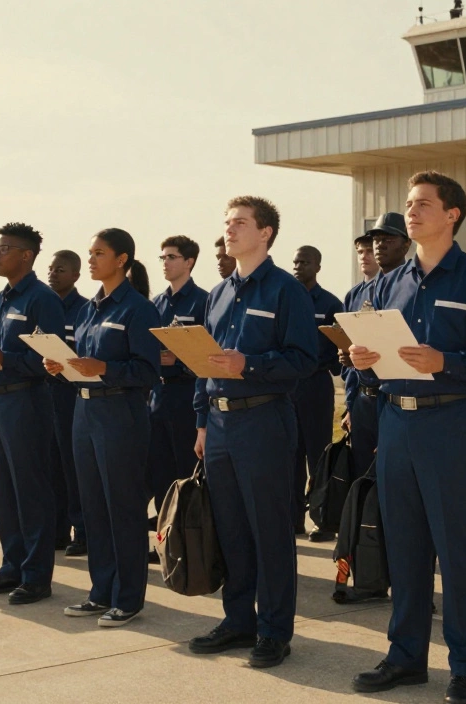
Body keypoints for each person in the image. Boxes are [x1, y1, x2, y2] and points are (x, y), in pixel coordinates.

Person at [346, 172, 466, 704]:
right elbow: (372, 366)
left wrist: (446, 361)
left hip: (450, 425)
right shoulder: (385, 285)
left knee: (458, 552)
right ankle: (406, 657)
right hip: (396, 424)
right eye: (409, 205)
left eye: (422, 205)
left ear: (452, 215)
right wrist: (362, 363)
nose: (410, 213)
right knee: (406, 548)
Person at [187, 196, 317, 669]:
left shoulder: (286, 291)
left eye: (239, 223)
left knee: (269, 530)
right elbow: (205, 366)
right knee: (232, 528)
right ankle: (238, 620)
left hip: (264, 420)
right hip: (219, 426)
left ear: (265, 233)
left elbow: (304, 360)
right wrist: (202, 421)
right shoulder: (218, 294)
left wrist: (251, 364)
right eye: (226, 223)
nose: (229, 230)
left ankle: (274, 630)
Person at [45, 229, 160, 628]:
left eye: (99, 253)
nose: (91, 260)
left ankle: (128, 599)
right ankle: (101, 592)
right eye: (89, 253)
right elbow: (84, 365)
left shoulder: (138, 309)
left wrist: (105, 368)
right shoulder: (89, 308)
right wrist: (63, 368)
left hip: (121, 417)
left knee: (122, 509)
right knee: (92, 508)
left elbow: (147, 371)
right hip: (84, 414)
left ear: (122, 260)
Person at [0, 223, 66, 605]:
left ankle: (36, 576)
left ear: (26, 255)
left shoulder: (42, 299)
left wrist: (2, 358)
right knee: (3, 490)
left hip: (27, 402)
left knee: (30, 490)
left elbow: (52, 359)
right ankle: (12, 566)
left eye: (5, 248)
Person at [341, 213, 411, 484]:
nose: (379, 246)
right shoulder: (360, 294)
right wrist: (350, 403)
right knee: (364, 478)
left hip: (394, 399)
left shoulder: (412, 287)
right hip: (364, 399)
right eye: (375, 240)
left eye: (387, 240)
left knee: (395, 477)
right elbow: (352, 356)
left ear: (406, 245)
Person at [147, 236, 209, 541]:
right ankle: (164, 542)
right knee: (161, 476)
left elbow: (210, 354)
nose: (165, 263)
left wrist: (181, 360)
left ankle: (190, 542)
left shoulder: (203, 301)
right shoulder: (155, 303)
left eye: (171, 257)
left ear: (189, 262)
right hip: (158, 396)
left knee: (187, 475)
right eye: (162, 258)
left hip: (188, 395)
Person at [291, 245, 343, 538]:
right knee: (291, 455)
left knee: (319, 455)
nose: (299, 266)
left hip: (316, 385)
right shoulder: (285, 298)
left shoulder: (330, 304)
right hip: (289, 387)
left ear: (318, 267)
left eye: (305, 262)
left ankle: (323, 519)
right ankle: (294, 518)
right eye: (296, 262)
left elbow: (340, 346)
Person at [47, 250, 89, 556]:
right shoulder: (44, 305)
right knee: (50, 464)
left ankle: (83, 531)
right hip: (43, 392)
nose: (53, 273)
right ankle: (57, 528)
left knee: (73, 465)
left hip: (71, 394)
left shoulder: (84, 309)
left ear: (75, 275)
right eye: (50, 268)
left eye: (60, 269)